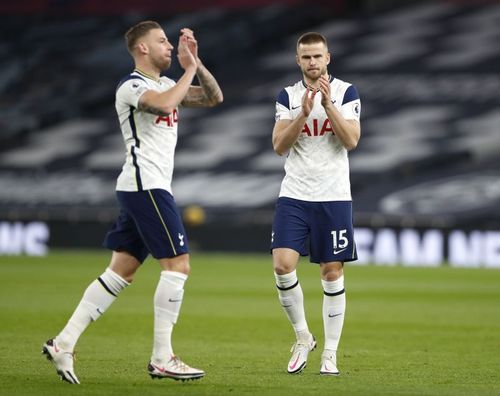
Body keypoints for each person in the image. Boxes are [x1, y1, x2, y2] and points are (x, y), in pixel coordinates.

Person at [42, 20, 223, 384]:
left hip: (143, 186)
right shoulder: (132, 86)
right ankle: (162, 357)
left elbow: (214, 98)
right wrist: (187, 72)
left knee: (120, 271)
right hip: (147, 186)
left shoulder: (170, 82)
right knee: (178, 266)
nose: (170, 47)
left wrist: (196, 63)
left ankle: (63, 343)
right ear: (142, 48)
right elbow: (161, 106)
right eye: (162, 41)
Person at [270, 32, 361, 376]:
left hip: (334, 195)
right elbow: (279, 145)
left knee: (331, 271)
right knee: (282, 265)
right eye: (306, 57)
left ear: (328, 58)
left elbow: (351, 139)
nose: (312, 62)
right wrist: (302, 113)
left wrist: (327, 106)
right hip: (295, 193)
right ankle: (303, 336)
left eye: (317, 56)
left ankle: (330, 354)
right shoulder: (288, 96)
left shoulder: (346, 92)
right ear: (298, 61)